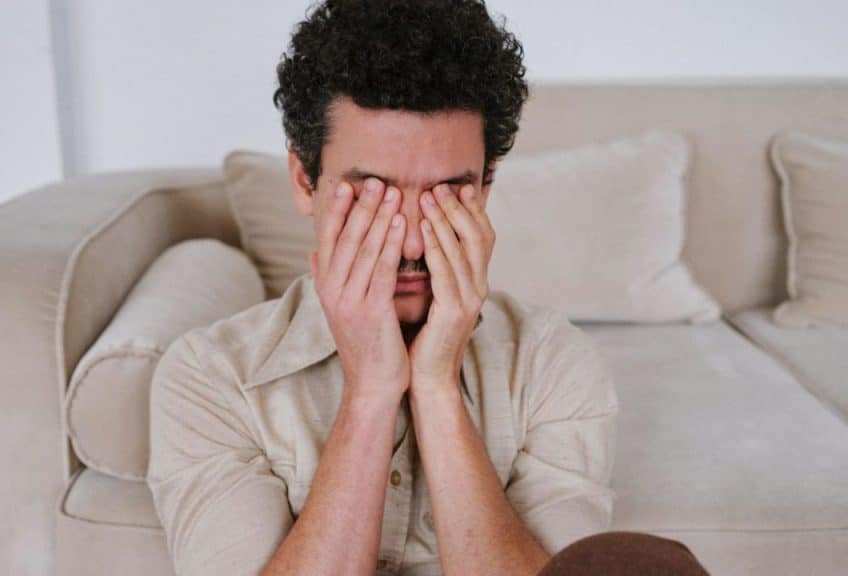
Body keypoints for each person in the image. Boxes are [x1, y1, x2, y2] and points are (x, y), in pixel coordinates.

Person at [147, 1, 710, 574]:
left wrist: (438, 386)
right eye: (374, 193)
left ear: (485, 186)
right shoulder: (209, 377)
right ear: (304, 181)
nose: (414, 239)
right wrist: (370, 392)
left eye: (446, 192)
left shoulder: (552, 362)